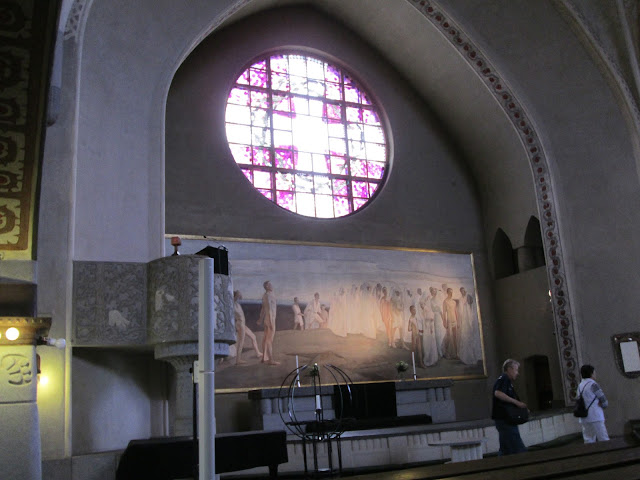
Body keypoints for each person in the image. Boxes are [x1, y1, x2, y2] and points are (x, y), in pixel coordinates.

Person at [492, 359, 528, 455]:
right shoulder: (504, 378)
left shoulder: (507, 381)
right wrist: (517, 403)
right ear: (509, 369)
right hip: (505, 419)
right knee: (516, 448)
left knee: (507, 448)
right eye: (516, 370)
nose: (517, 373)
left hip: (506, 419)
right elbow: (498, 393)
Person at [577, 364, 610, 443]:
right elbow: (603, 400)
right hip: (596, 416)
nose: (595, 374)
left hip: (584, 417)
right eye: (594, 372)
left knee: (588, 440)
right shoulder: (593, 384)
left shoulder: (580, 385)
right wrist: (603, 405)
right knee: (603, 439)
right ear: (591, 373)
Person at [233, 290, 262, 364]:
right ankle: (238, 360)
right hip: (240, 324)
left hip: (242, 324)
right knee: (241, 341)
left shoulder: (237, 304)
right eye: (238, 295)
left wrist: (239, 294)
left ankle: (258, 353)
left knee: (253, 337)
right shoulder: (232, 305)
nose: (239, 297)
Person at [258, 280, 279, 365]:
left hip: (268, 318)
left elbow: (263, 309)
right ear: (266, 286)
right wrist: (270, 321)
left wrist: (260, 319)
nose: (271, 285)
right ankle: (271, 360)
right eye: (270, 284)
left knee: (266, 338)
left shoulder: (266, 295)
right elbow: (269, 309)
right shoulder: (268, 295)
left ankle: (264, 357)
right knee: (269, 339)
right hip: (270, 319)